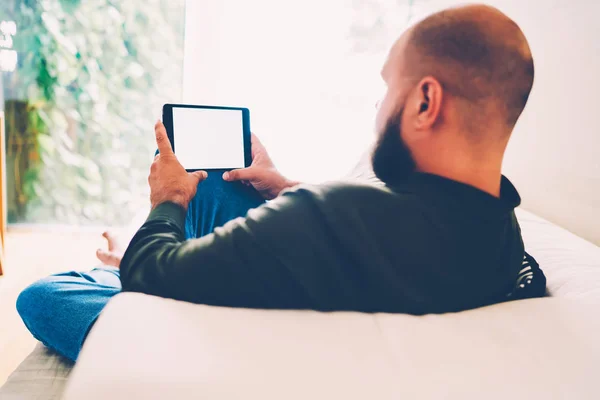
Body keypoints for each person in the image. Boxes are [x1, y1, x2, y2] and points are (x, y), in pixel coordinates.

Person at [16, 4, 544, 362]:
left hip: (205, 305)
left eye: (387, 89)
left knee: (44, 294)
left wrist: (166, 204)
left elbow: (155, 273)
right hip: (327, 263)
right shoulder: (502, 232)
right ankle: (137, 250)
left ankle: (117, 263)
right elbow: (369, 236)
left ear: (425, 102)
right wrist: (287, 187)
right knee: (222, 185)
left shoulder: (325, 215)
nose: (378, 108)